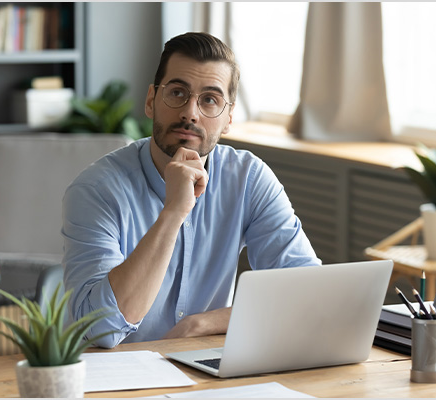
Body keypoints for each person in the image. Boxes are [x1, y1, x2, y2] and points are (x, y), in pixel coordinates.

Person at [62, 32, 321, 349]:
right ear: (150, 101)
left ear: (228, 118)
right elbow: (100, 329)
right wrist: (173, 212)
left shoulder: (248, 179)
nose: (190, 113)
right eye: (177, 93)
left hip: (205, 371)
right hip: (116, 376)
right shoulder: (96, 190)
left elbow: (309, 291)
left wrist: (205, 323)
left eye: (209, 99)